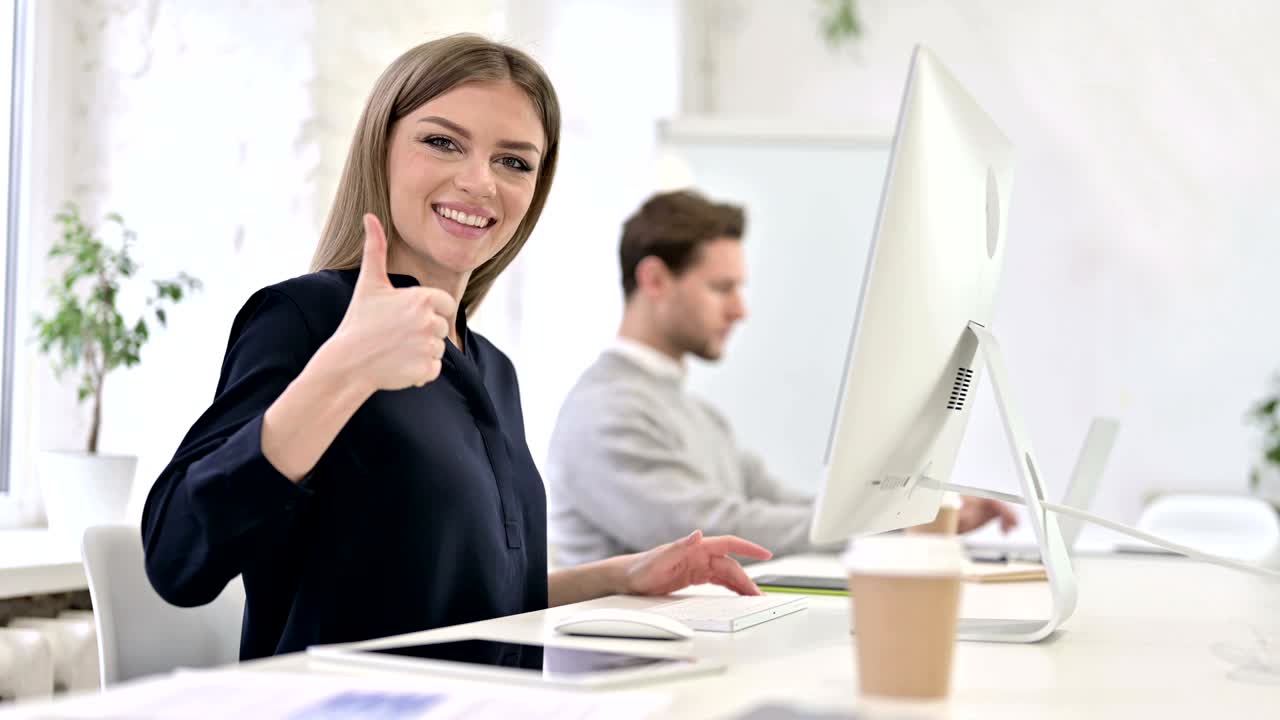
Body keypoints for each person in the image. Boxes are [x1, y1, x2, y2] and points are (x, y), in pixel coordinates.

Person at [141, 36, 770, 661]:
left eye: (514, 162)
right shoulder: (305, 321)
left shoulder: (492, 369)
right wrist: (342, 371)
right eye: (443, 142)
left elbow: (468, 604)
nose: (480, 183)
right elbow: (178, 558)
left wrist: (617, 578)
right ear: (379, 149)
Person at [545, 190, 1017, 566]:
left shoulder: (696, 414)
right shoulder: (605, 413)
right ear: (655, 280)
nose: (739, 309)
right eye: (721, 288)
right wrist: (899, 524)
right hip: (625, 669)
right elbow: (715, 529)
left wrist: (920, 512)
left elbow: (783, 505)